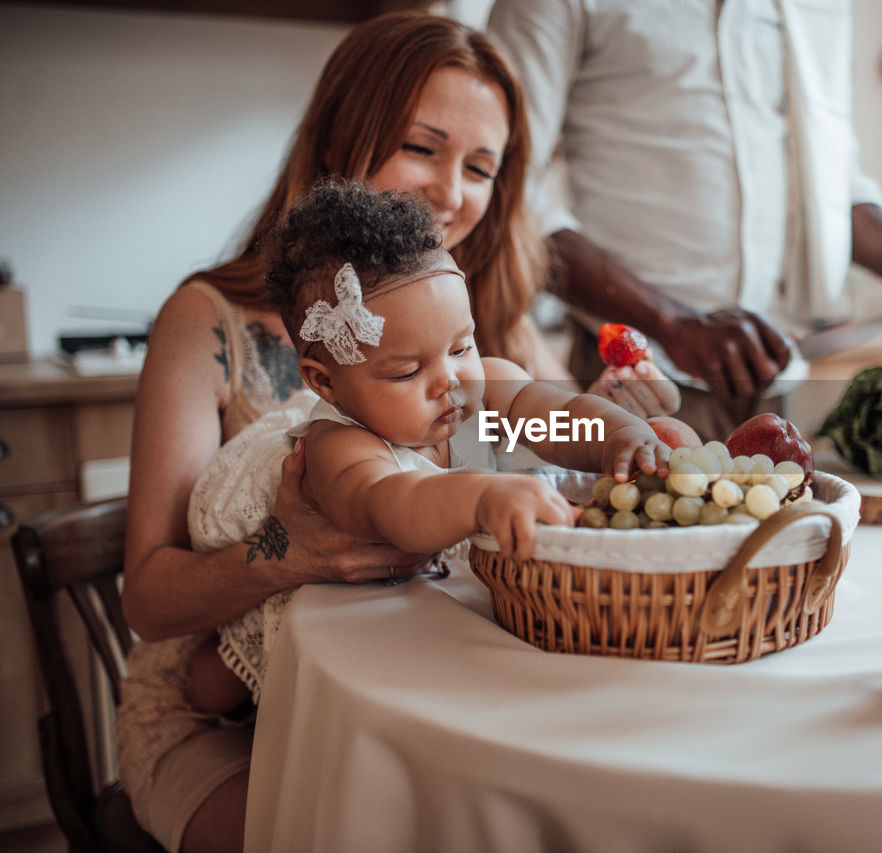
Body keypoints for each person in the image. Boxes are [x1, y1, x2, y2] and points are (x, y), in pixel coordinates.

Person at [116, 13, 671, 853]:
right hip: (216, 710)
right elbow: (150, 597)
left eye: (480, 166)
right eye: (422, 146)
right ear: (346, 133)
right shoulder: (212, 323)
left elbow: (537, 417)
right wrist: (288, 551)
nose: (452, 192)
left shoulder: (463, 323)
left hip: (407, 673)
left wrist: (620, 428)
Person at [182, 180, 668, 714]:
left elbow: (561, 419)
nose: (450, 380)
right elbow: (397, 504)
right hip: (323, 614)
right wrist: (481, 497)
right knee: (224, 688)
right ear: (325, 383)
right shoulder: (339, 444)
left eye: (461, 345)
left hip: (435, 615)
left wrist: (618, 435)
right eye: (408, 370)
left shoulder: (486, 388)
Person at [486, 0, 882, 440]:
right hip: (636, 381)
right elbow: (504, 188)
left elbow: (832, 186)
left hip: (775, 377)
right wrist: (671, 324)